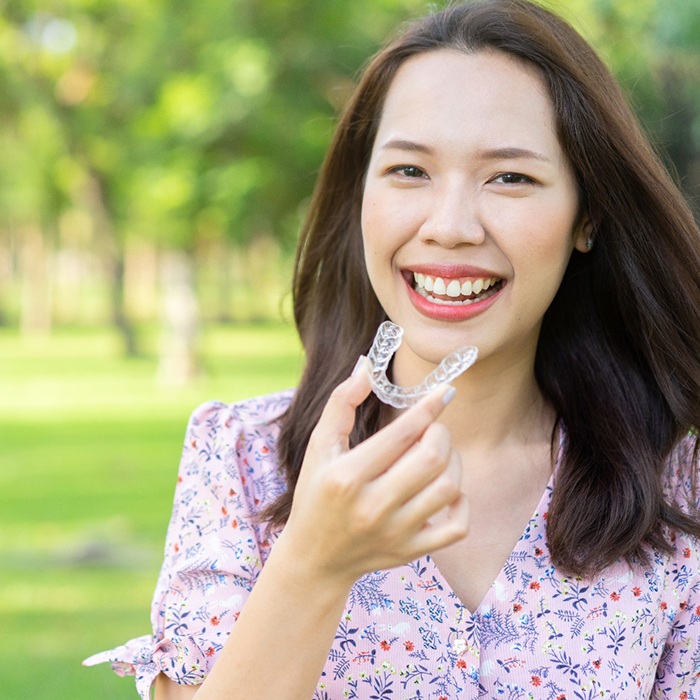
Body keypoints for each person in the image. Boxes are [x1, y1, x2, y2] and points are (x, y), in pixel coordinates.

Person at [84, 0, 700, 697]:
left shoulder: (677, 488)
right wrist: (313, 564)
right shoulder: (241, 461)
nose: (451, 226)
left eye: (511, 177)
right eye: (410, 171)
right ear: (360, 197)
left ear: (586, 216)